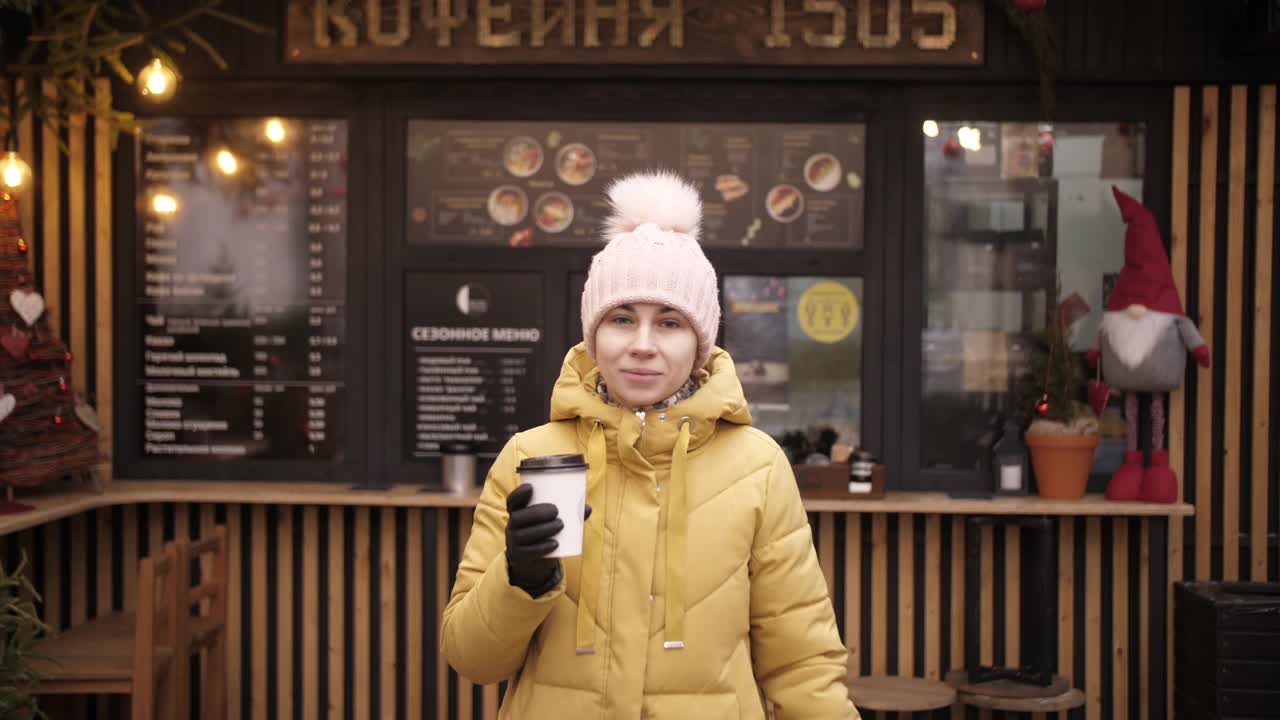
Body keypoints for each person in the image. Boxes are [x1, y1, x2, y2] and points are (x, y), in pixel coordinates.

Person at [441, 171, 857, 719]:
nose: (642, 345)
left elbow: (802, 662)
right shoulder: (529, 456)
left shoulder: (757, 465)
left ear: (701, 342)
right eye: (620, 319)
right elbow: (473, 660)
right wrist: (520, 577)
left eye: (668, 322)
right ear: (593, 335)